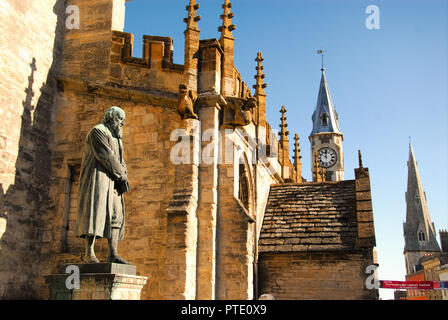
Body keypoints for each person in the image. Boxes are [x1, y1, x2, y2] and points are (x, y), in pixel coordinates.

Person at [76, 106, 130, 264]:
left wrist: (123, 174)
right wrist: (122, 175)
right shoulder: (97, 131)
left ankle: (113, 253)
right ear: (112, 117)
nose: (122, 123)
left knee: (116, 214)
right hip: (98, 177)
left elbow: (120, 159)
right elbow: (107, 156)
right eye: (121, 119)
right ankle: (89, 253)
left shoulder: (117, 137)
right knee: (94, 211)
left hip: (114, 181)